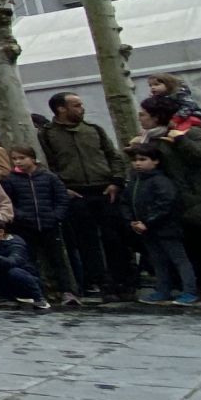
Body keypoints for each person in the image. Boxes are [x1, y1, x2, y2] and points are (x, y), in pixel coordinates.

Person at [38, 93, 129, 300]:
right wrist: (62, 188)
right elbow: (48, 164)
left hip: (105, 189)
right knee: (85, 240)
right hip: (74, 191)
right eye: (76, 105)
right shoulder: (47, 134)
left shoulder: (94, 130)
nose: (82, 108)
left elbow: (113, 155)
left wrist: (116, 180)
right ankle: (96, 281)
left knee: (114, 237)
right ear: (61, 109)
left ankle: (122, 281)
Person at [142, 94, 201, 297]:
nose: (140, 118)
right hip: (176, 203)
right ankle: (198, 286)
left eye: (144, 114)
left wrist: (180, 139)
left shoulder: (193, 132)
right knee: (191, 249)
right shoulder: (152, 138)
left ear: (157, 116)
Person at [2, 146, 76, 305]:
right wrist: (21, 216)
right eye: (15, 159)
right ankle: (37, 291)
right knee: (29, 259)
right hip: (25, 226)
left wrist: (56, 216)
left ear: (32, 158)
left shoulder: (49, 177)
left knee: (58, 259)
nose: (18, 162)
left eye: (22, 158)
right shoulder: (11, 179)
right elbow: (8, 202)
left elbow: (62, 198)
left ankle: (66, 291)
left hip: (49, 224)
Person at [126, 142, 196, 305]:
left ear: (155, 161)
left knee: (179, 259)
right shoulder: (135, 181)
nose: (138, 163)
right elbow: (126, 202)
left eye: (143, 159)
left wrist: (148, 222)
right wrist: (131, 221)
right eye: (135, 160)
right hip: (145, 229)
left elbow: (166, 204)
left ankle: (189, 291)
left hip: (166, 228)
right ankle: (163, 290)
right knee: (157, 260)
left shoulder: (161, 180)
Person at [0, 215, 50, 310]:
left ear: (0, 232)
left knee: (15, 272)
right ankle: (7, 298)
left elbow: (11, 263)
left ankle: (40, 299)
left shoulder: (16, 244)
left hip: (28, 281)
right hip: (11, 285)